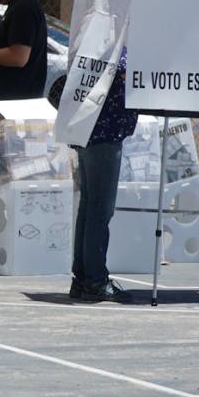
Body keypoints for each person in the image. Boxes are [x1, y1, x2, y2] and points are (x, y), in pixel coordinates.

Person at [71, 49, 137, 304]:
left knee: (90, 206)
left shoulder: (98, 41)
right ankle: (95, 280)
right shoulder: (117, 47)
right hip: (104, 134)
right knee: (99, 208)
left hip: (90, 130)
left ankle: (83, 277)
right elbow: (125, 73)